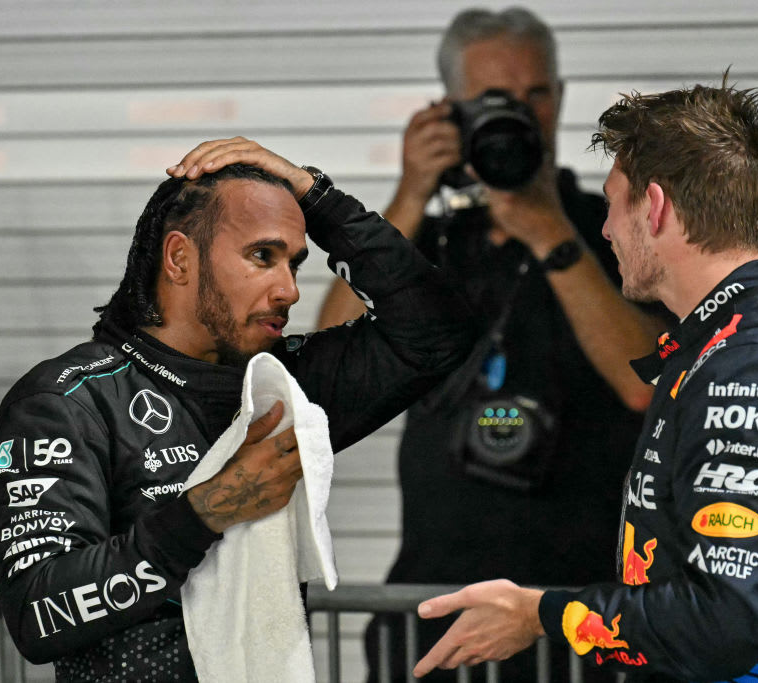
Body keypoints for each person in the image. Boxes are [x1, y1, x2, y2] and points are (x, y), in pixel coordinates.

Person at [410, 82, 758, 682]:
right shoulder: (753, 337)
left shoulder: (752, 364)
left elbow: (726, 620)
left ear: (654, 207)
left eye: (612, 204)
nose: (604, 230)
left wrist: (541, 614)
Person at [0, 137, 476, 682]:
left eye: (295, 263)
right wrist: (207, 511)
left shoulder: (281, 387)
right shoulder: (67, 401)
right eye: (262, 256)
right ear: (178, 258)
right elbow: (33, 616)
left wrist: (317, 197)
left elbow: (439, 332)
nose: (289, 289)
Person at [315, 8, 664, 681]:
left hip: (578, 614)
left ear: (560, 99)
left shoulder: (612, 229)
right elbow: (328, 370)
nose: (521, 114)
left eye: (536, 94)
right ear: (449, 111)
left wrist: (549, 234)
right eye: (492, 101)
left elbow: (647, 382)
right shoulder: (426, 244)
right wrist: (410, 193)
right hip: (433, 606)